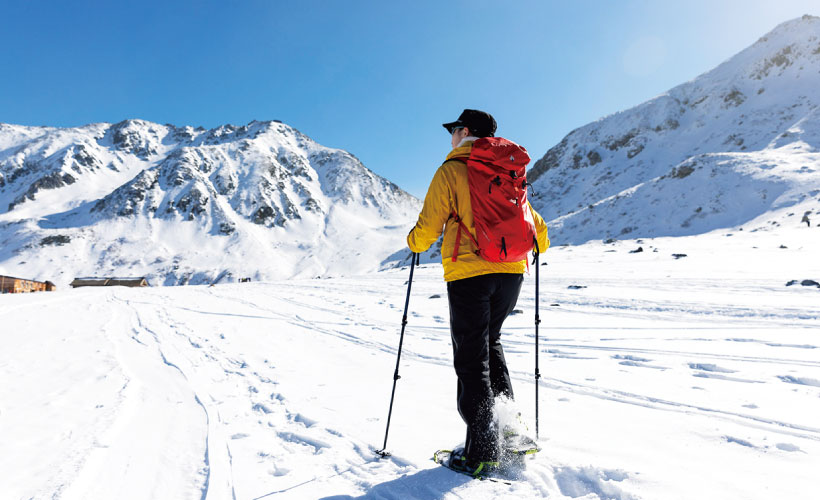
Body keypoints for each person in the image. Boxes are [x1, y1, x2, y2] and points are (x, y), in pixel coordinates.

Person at [407, 109, 549, 474]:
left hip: (470, 272)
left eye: (453, 130)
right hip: (512, 272)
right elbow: (538, 230)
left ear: (465, 131)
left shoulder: (452, 170)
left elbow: (427, 228)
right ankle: (511, 432)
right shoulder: (508, 171)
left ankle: (482, 451)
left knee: (472, 357)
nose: (451, 137)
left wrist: (413, 242)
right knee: (490, 343)